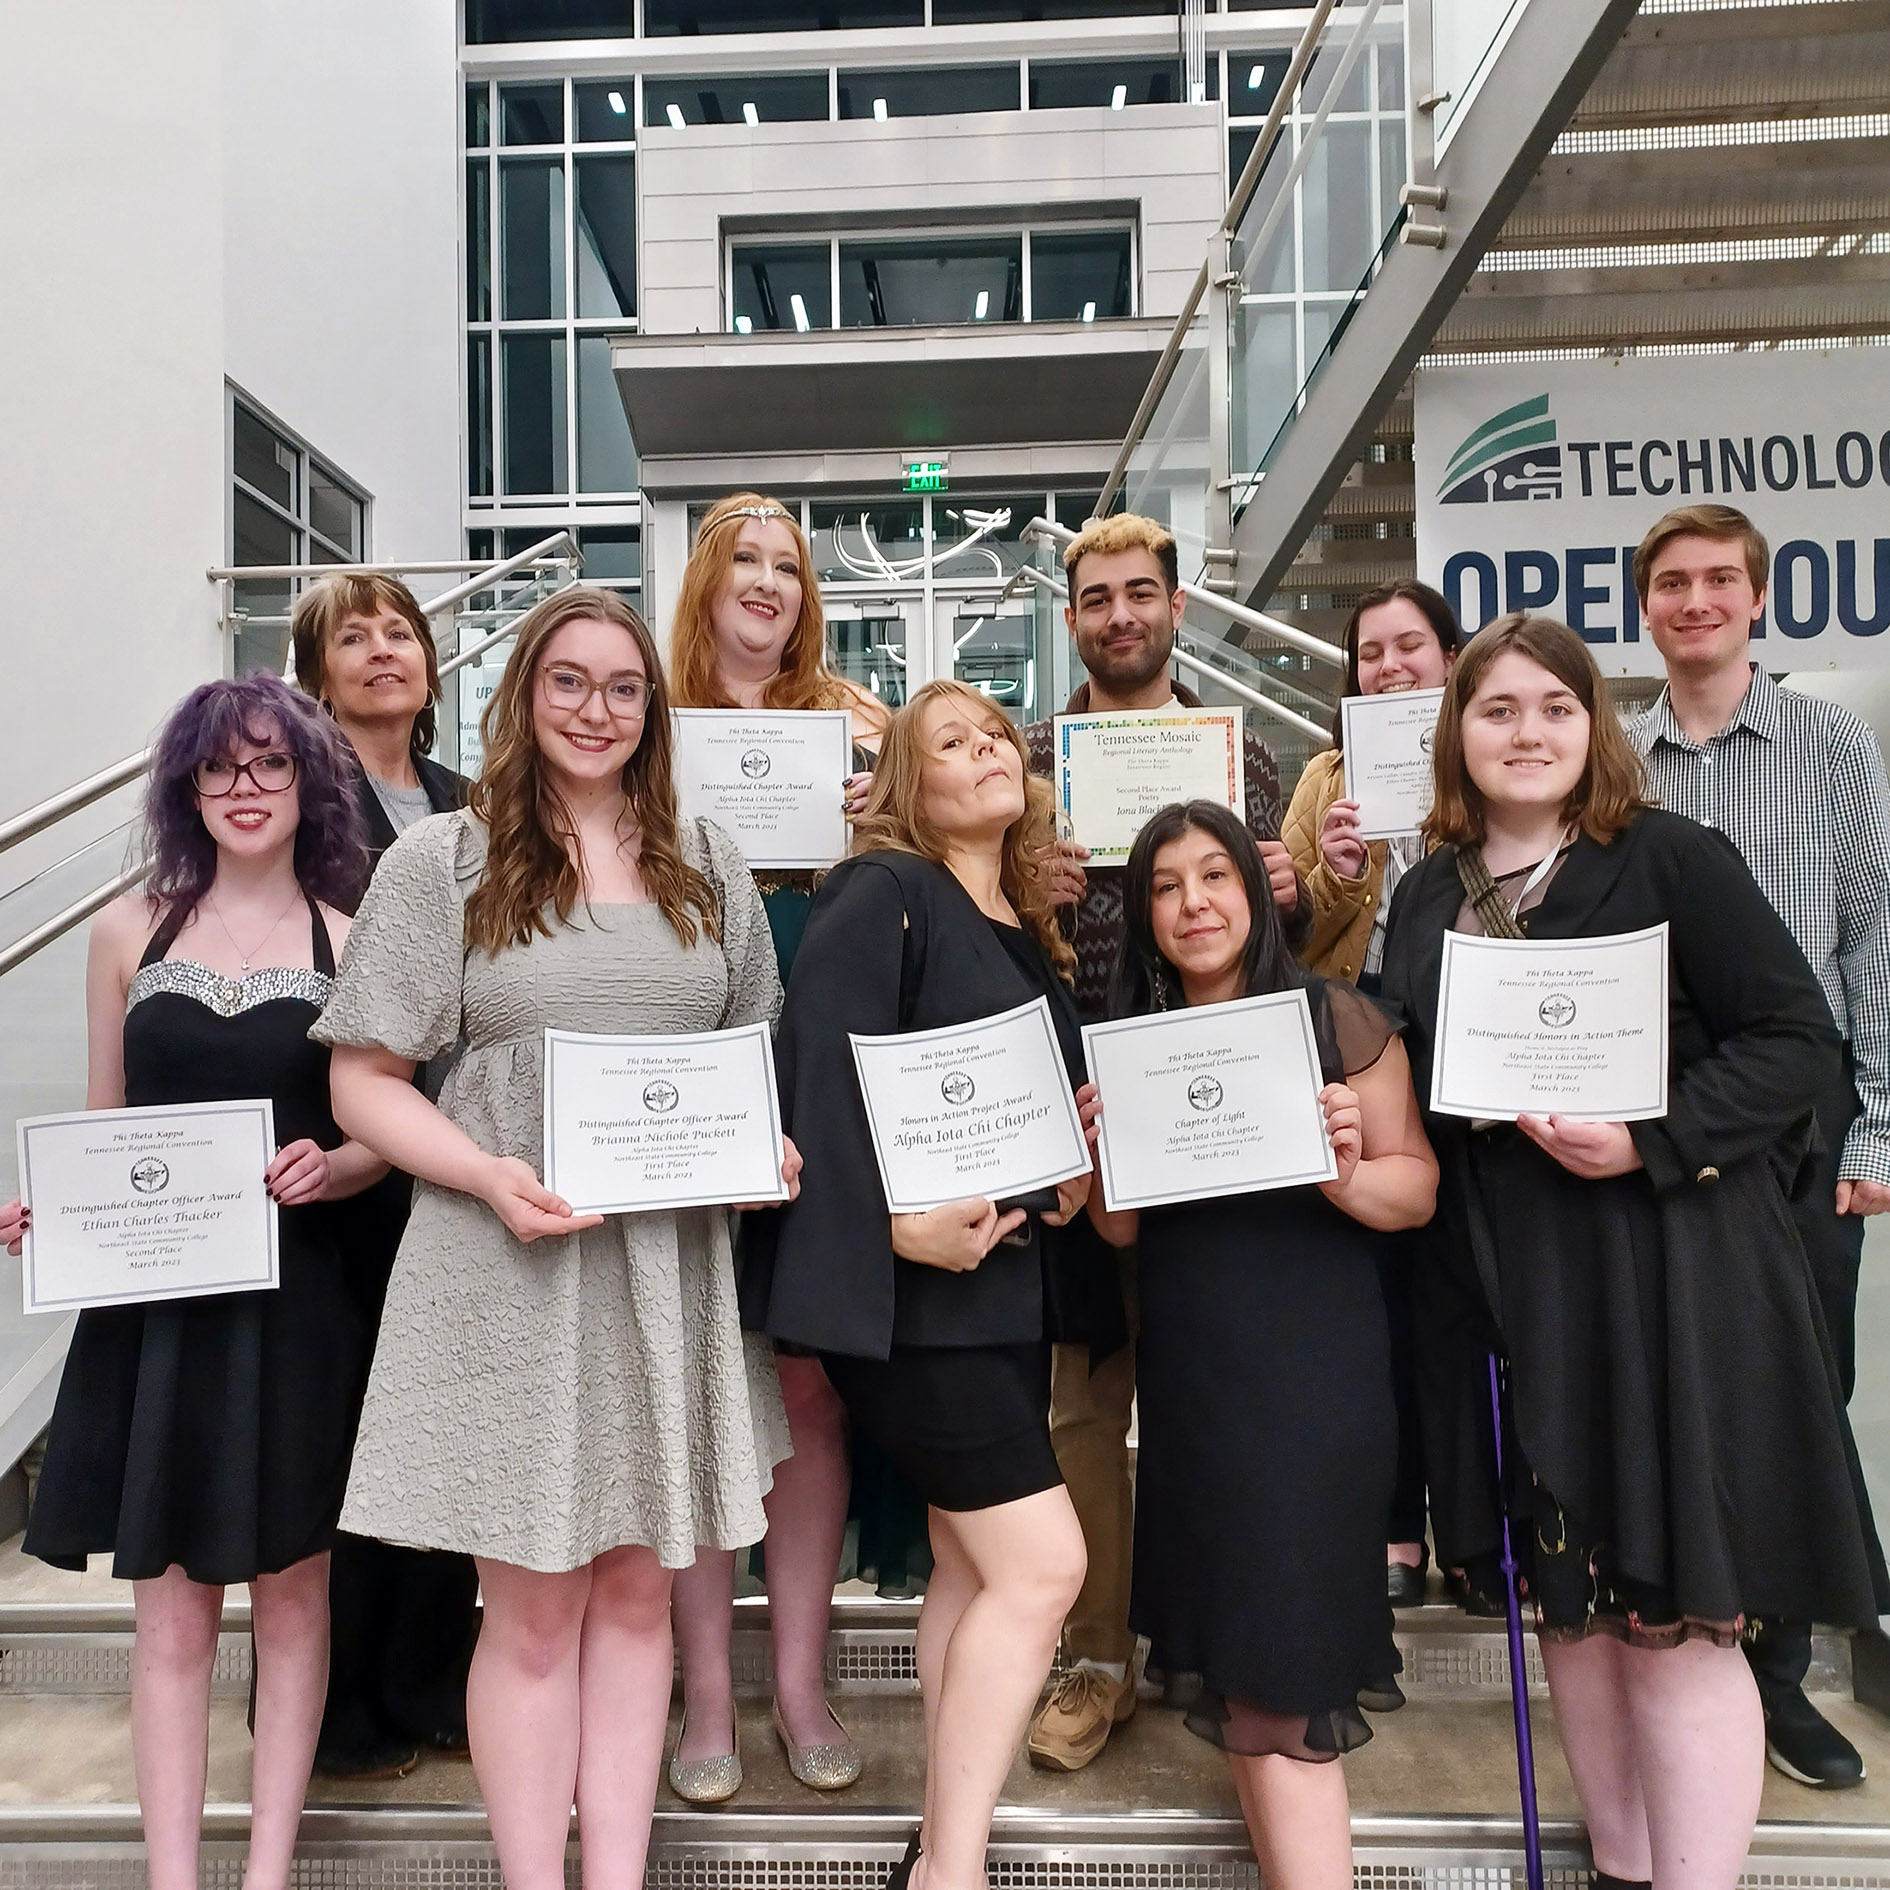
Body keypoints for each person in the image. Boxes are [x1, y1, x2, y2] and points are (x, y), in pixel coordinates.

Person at [1379, 614, 1888, 1890]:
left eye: (1555, 707)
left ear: (1593, 725)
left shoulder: (1671, 858)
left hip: (1660, 1283)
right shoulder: (1428, 892)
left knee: (1676, 1621)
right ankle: (1620, 1867)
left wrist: (1651, 1139)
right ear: (1457, 731)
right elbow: (1409, 1064)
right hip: (1503, 1291)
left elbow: (1797, 1042)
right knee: (1573, 1616)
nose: (1528, 732)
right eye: (1498, 709)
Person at [310, 587, 796, 1890]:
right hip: (506, 1263)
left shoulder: (705, 853)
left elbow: (749, 1055)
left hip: (666, 1270)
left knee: (639, 1596)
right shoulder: (445, 859)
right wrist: (483, 1172)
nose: (596, 709)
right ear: (524, 695)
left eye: (623, 686)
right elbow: (363, 1081)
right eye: (568, 681)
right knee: (529, 1609)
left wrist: (769, 1145)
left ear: (653, 708)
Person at [1, 676, 386, 1890]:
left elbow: (384, 1132)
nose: (244, 788)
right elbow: (104, 1121)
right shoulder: (128, 931)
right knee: (168, 1610)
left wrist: (337, 1164)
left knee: (295, 1597)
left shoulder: (354, 935)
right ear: (186, 788)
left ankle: (266, 1871)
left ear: (309, 782)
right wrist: (50, 1209)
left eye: (271, 764)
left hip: (302, 1305)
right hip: (155, 1313)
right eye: (219, 768)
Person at [743, 679, 1106, 1890]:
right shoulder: (882, 890)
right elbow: (819, 1078)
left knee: (971, 1566)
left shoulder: (1023, 929)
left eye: (997, 733)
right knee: (1044, 1568)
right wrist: (892, 1232)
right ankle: (951, 1871)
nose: (988, 749)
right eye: (952, 740)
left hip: (1001, 1297)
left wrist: (1062, 1180)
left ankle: (947, 1846)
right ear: (907, 783)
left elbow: (1009, 1120)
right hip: (917, 1310)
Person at [1086, 800, 1436, 1890]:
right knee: (1248, 1673)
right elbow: (1118, 1230)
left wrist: (1342, 1174)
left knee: (1285, 1675)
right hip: (1197, 1388)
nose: (1193, 904)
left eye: (1215, 876)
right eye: (1165, 886)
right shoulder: (1134, 1041)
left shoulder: (1335, 1019)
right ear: (1144, 916)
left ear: (1255, 888)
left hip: (1312, 1385)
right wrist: (1102, 1151)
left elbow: (1417, 1190)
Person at [1018, 511, 1304, 1771]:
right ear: (1070, 616)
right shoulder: (1032, 762)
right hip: (1083, 1115)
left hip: (1223, 1125)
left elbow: (1294, 947)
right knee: (1083, 1409)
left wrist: (1297, 888)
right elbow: (990, 932)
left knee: (1227, 1396)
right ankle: (1096, 1659)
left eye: (1141, 592)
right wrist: (1027, 893)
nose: (1120, 614)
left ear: (1178, 608)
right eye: (1097, 598)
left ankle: (1234, 1645)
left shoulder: (1251, 762)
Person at [1626, 503, 1890, 1790]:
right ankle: (1693, 1649)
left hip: (1804, 1116)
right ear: (1645, 607)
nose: (1695, 601)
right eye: (1672, 582)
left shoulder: (1831, 745)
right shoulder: (1619, 763)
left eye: (1718, 580)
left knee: (1800, 1388)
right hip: (1669, 1116)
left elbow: (1876, 937)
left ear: (1757, 598)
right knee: (1687, 1385)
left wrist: (1879, 1119)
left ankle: (1779, 1676)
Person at [665, 493, 888, 1801]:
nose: (766, 583)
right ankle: (705, 1691)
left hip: (819, 1067)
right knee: (700, 1387)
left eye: (788, 568)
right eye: (743, 561)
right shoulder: (647, 723)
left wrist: (875, 812)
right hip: (683, 1064)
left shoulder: (850, 723)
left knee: (806, 1390)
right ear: (704, 581)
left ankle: (798, 1678)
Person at [289, 573, 477, 1779]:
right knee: (356, 1436)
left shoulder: (472, 800)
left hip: (461, 1147)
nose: (381, 651)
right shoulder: (297, 803)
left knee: (448, 1429)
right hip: (341, 1156)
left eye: (399, 632)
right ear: (316, 675)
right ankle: (343, 1707)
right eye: (350, 637)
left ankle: (431, 1681)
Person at [1280, 578, 1465, 1621]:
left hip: (1473, 1045)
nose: (1389, 668)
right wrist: (1336, 874)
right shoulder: (1326, 776)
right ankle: (1396, 1523)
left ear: (1451, 656)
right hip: (1367, 1045)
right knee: (1381, 1301)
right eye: (1370, 653)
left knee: (1470, 1293)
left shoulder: (1488, 758)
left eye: (1409, 647)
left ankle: (1478, 1529)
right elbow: (1288, 942)